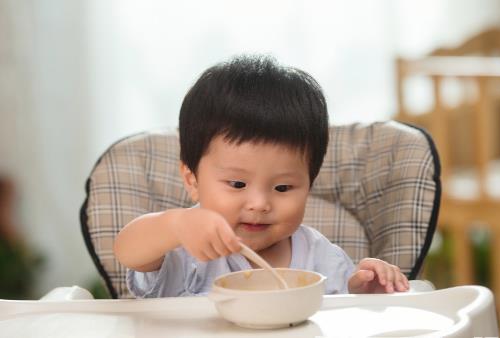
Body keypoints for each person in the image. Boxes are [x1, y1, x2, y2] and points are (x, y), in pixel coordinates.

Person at [114, 55, 409, 297]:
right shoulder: (187, 248)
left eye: (283, 187)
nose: (259, 203)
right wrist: (175, 225)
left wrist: (364, 294)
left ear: (309, 184)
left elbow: (340, 319)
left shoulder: (319, 255)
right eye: (238, 184)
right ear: (192, 180)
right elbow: (128, 251)